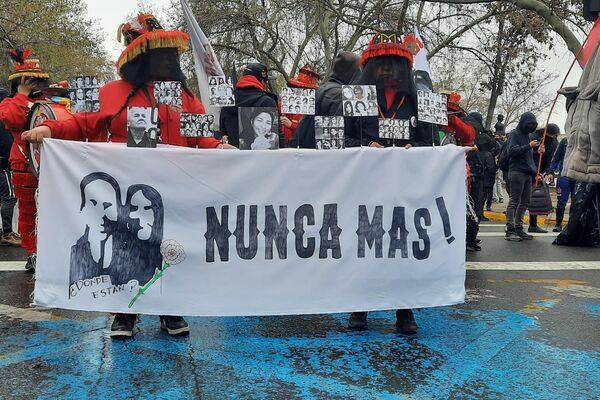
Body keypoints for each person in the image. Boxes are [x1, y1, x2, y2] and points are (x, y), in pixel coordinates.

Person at [22, 13, 235, 338]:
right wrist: (49, 128)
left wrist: (218, 148)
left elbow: (199, 137)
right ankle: (125, 312)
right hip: (126, 194)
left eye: (170, 54)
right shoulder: (113, 92)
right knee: (126, 250)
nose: (168, 60)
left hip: (175, 193)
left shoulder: (184, 97)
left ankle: (170, 308)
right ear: (143, 58)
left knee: (171, 248)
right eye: (160, 54)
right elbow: (81, 123)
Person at [344, 31, 435, 335]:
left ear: (402, 67)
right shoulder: (356, 98)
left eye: (392, 64)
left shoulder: (418, 103)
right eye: (381, 64)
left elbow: (429, 142)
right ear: (371, 66)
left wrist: (415, 151)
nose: (386, 70)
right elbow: (341, 139)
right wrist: (364, 146)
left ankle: (404, 311)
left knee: (402, 247)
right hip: (365, 186)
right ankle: (360, 306)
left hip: (404, 188)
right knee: (365, 245)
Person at [0, 48, 51, 271]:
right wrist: (22, 93)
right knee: (29, 211)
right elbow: (12, 119)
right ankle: (33, 253)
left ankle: (51, 249)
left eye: (39, 81)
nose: (36, 85)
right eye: (31, 81)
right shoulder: (9, 103)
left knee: (53, 210)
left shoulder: (49, 101)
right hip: (23, 163)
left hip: (52, 164)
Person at [291, 52, 360, 148]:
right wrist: (365, 144)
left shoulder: (321, 89)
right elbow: (334, 138)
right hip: (321, 157)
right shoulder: (339, 96)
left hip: (305, 152)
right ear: (353, 73)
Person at [219, 63, 281, 147]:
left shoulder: (227, 101)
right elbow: (280, 138)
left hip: (233, 156)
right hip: (264, 157)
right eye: (265, 81)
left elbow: (223, 133)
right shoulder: (267, 102)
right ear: (262, 81)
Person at [504, 112, 544, 241]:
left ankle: (519, 228)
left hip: (527, 173)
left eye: (533, 125)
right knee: (514, 201)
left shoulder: (529, 136)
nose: (531, 127)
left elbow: (528, 156)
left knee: (525, 202)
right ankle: (510, 230)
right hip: (516, 172)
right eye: (529, 124)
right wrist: (529, 146)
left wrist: (537, 152)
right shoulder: (514, 134)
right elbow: (512, 151)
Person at [527, 123, 560, 233]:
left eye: (554, 136)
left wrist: (547, 171)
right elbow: (528, 154)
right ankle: (518, 224)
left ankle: (533, 223)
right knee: (528, 197)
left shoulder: (554, 142)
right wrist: (538, 152)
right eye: (551, 135)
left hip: (541, 171)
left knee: (536, 196)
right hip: (531, 169)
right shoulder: (535, 137)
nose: (552, 138)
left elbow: (551, 157)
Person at [279, 65, 320, 144]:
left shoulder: (315, 108)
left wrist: (291, 125)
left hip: (305, 146)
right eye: (298, 89)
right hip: (286, 145)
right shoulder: (283, 105)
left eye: (306, 90)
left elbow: (311, 130)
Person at [0, 89, 20, 247]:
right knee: (10, 197)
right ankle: (7, 233)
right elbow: (7, 144)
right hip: (3, 165)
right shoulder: (3, 119)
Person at [548, 137, 575, 232]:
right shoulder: (564, 141)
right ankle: (558, 224)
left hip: (579, 176)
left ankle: (572, 225)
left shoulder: (585, 138)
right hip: (564, 175)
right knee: (561, 201)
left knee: (576, 202)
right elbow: (556, 157)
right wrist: (551, 171)